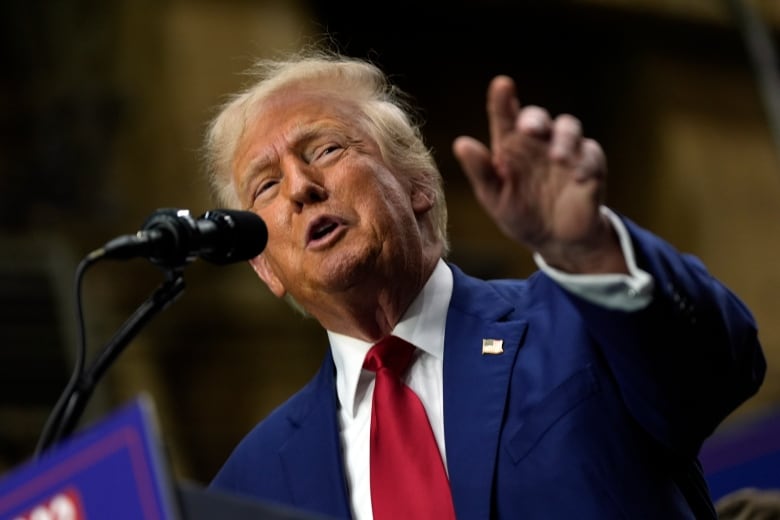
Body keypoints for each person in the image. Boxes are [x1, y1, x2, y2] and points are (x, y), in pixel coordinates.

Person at [201, 46, 765, 519]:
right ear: (265, 268)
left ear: (418, 186)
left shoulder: (579, 323)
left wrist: (587, 245)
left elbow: (718, 368)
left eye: (325, 149)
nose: (300, 186)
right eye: (266, 187)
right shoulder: (249, 483)